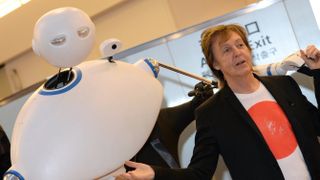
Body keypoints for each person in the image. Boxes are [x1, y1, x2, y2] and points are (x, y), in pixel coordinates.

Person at [116, 24, 320, 180]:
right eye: (226, 50)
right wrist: (155, 173)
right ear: (215, 63)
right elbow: (200, 172)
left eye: (240, 45)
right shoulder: (212, 113)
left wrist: (318, 72)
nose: (237, 52)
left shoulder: (284, 85)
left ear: (249, 50)